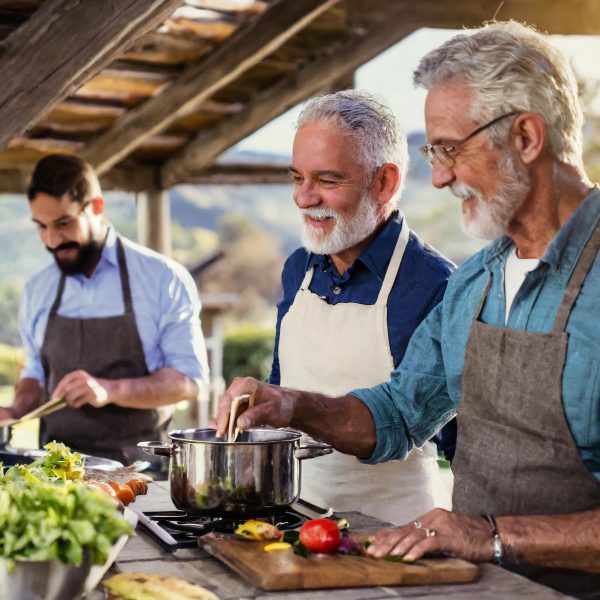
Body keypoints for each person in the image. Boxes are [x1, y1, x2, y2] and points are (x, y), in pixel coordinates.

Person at [216, 22, 600, 598]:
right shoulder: (475, 282)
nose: (439, 175)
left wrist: (491, 535)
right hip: (476, 587)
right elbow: (397, 415)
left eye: (451, 149)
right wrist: (291, 403)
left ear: (525, 137)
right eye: (433, 151)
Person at [269, 90, 455, 524]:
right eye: (297, 178)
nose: (303, 198)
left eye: (327, 181)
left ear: (384, 182)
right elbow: (283, 386)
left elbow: (465, 445)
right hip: (294, 522)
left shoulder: (437, 286)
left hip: (399, 534)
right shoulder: (299, 270)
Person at [0, 154, 208, 465]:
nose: (52, 240)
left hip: (141, 473)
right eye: (41, 226)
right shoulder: (37, 290)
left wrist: (110, 389)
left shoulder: (162, 278)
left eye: (63, 223)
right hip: (56, 473)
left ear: (96, 207)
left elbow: (189, 380)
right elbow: (36, 373)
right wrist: (16, 410)